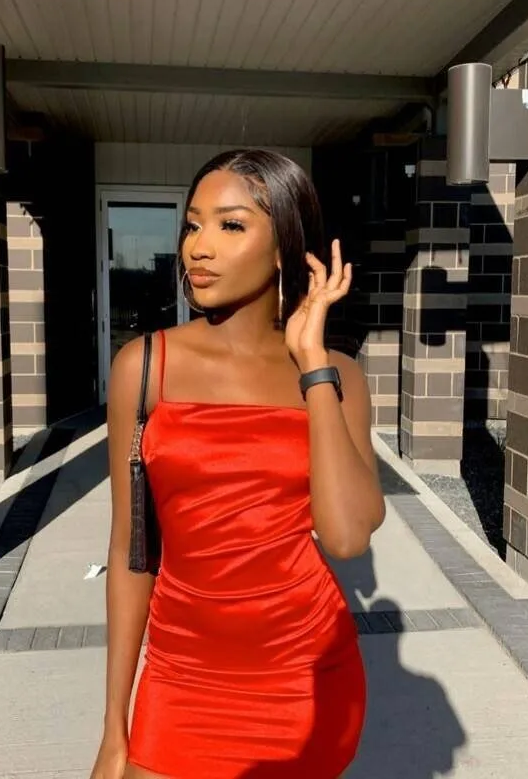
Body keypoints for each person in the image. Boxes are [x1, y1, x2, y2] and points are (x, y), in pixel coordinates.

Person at [90, 149, 386, 779]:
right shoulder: (144, 366)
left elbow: (346, 536)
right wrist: (115, 723)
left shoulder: (339, 375)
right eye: (193, 225)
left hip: (305, 676)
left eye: (230, 225)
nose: (199, 247)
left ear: (283, 246)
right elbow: (130, 550)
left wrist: (313, 366)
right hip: (181, 674)